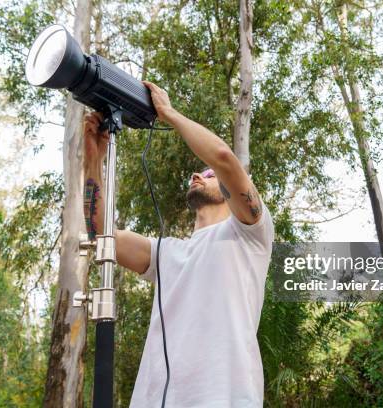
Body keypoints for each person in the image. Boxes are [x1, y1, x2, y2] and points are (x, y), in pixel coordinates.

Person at [83, 81, 274, 407]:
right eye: (197, 174)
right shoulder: (166, 252)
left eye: (208, 175)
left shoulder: (250, 235)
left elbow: (224, 158)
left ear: (228, 190)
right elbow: (102, 235)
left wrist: (168, 113)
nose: (198, 176)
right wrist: (92, 159)